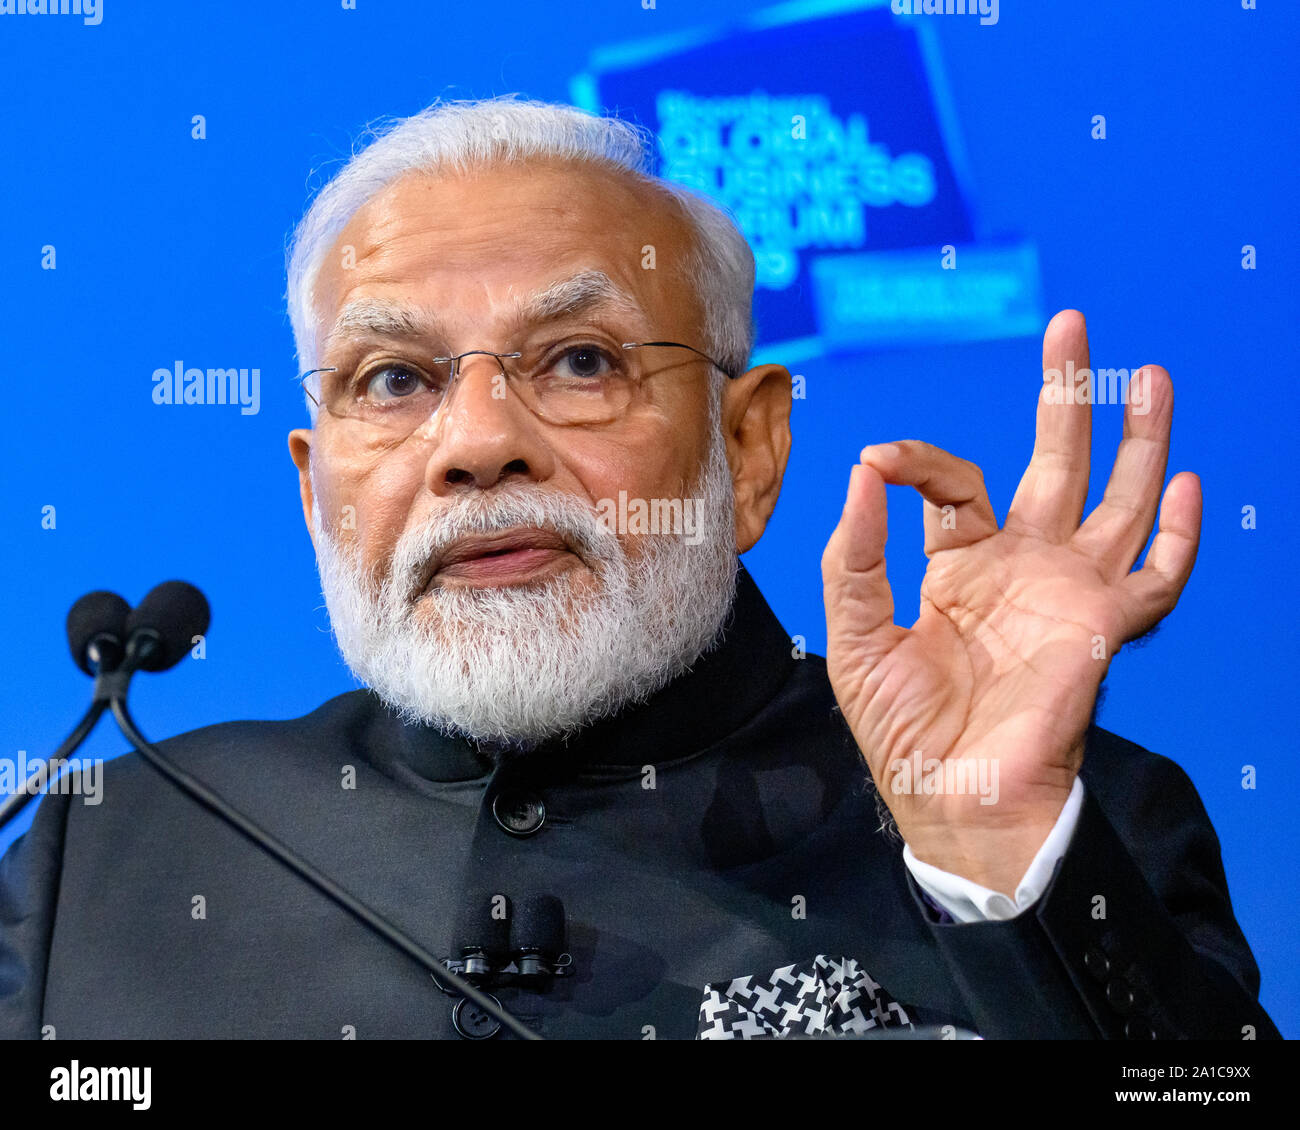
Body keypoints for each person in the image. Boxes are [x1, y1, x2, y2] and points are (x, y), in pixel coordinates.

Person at [0, 96, 1279, 1040]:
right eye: (392, 380)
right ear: (312, 482)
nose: (479, 444)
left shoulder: (1064, 823)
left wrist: (1001, 860)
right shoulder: (98, 850)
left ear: (749, 446)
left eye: (579, 361)